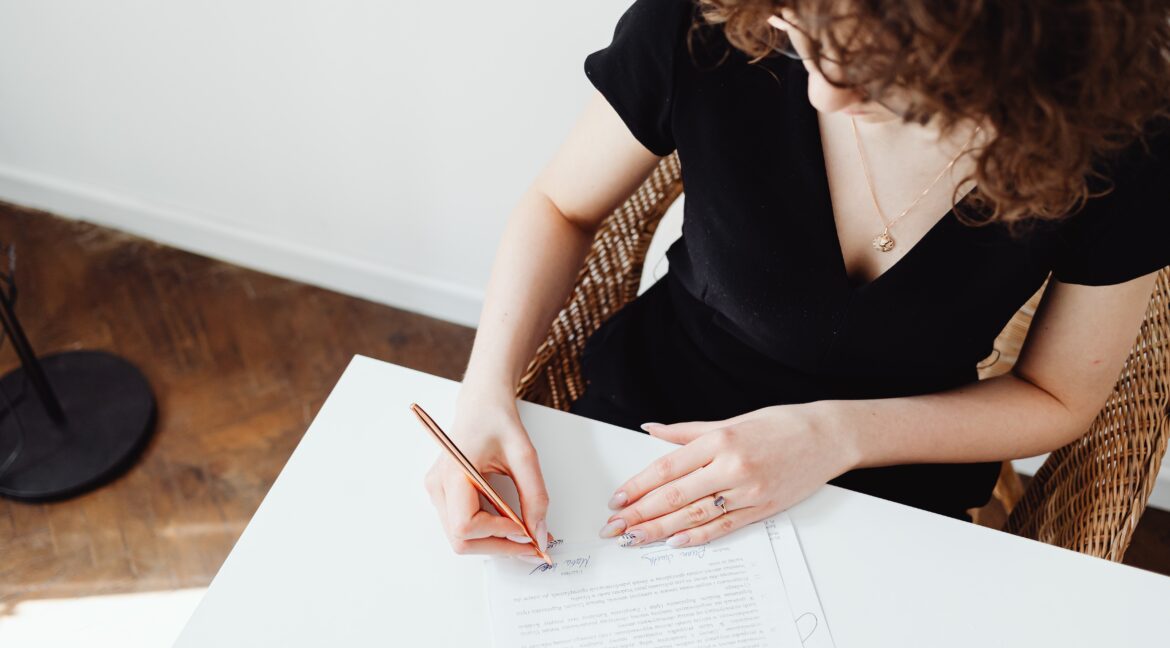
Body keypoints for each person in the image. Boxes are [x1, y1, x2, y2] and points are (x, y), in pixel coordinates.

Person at [424, 0, 1170, 564]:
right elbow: (560, 205)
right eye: (797, 27)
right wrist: (484, 391)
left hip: (894, 469)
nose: (820, 95)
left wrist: (831, 434)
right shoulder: (708, 19)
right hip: (647, 422)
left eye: (876, 74)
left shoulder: (1122, 140)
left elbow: (1060, 394)